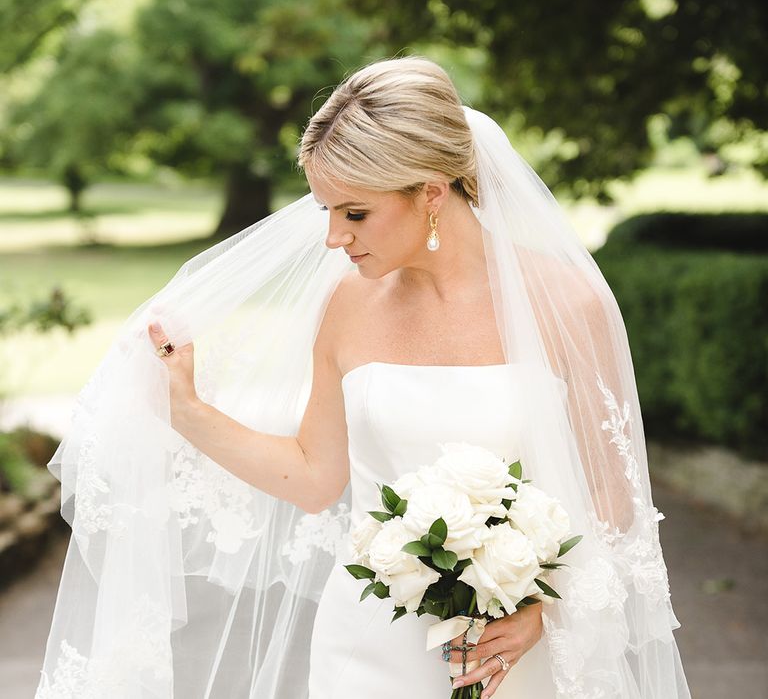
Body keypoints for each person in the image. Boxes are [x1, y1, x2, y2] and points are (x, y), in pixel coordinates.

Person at [36, 56, 691, 698]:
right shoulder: (347, 305)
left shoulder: (566, 304)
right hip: (369, 647)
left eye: (353, 213)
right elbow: (315, 477)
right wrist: (186, 409)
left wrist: (543, 614)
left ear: (431, 192)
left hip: (511, 649)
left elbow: (613, 498)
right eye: (324, 210)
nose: (331, 239)